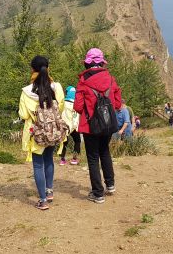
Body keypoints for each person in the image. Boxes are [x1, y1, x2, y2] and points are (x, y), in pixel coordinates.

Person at [74, 48, 122, 204]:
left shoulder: (83, 81)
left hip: (90, 125)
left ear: (88, 63)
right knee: (105, 151)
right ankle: (110, 184)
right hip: (108, 123)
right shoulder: (110, 78)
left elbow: (78, 106)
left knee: (93, 158)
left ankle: (97, 193)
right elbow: (118, 103)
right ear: (102, 62)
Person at [19, 55, 66, 211]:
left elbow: (24, 115)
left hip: (36, 133)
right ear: (48, 68)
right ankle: (49, 191)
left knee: (38, 165)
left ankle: (43, 200)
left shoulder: (26, 92)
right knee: (49, 160)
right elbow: (60, 107)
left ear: (32, 69)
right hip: (52, 130)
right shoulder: (56, 87)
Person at [59, 85, 82, 166]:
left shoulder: (63, 103)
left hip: (65, 126)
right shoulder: (77, 103)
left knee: (64, 141)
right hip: (74, 126)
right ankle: (74, 159)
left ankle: (62, 159)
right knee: (77, 141)